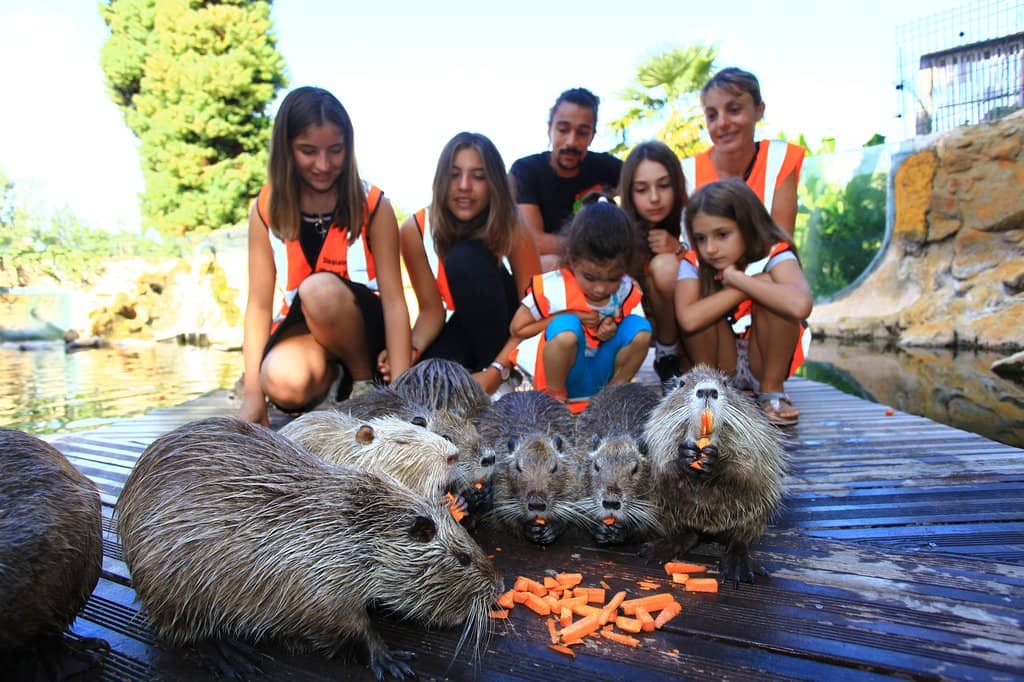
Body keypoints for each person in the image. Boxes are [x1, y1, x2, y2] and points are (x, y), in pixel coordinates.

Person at [238, 86, 411, 426]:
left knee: (318, 290)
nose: (323, 164)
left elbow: (394, 300)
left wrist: (402, 391)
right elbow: (258, 305)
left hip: (363, 325)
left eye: (335, 151)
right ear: (287, 150)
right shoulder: (264, 208)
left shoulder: (375, 205)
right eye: (308, 151)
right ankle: (334, 381)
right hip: (307, 328)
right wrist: (253, 394)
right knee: (283, 382)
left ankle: (363, 385)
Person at [393, 131, 541, 394]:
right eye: (454, 174)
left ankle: (503, 384)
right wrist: (409, 351)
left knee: (465, 258)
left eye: (478, 176)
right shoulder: (414, 229)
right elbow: (431, 311)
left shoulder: (512, 224)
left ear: (493, 182)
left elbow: (535, 308)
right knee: (424, 385)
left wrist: (498, 368)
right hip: (459, 327)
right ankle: (469, 381)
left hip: (509, 334)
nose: (464, 185)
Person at [675, 178, 813, 426]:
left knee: (776, 295)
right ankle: (710, 389)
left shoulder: (775, 253)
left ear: (748, 227)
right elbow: (688, 319)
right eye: (701, 238)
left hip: (762, 360)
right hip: (719, 362)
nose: (711, 248)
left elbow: (800, 305)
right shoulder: (693, 262)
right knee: (702, 312)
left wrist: (741, 279)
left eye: (722, 235)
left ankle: (772, 392)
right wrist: (741, 288)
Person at [510, 194, 651, 413]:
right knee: (566, 329)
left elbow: (625, 331)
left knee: (641, 329)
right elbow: (518, 328)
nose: (600, 289)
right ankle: (554, 402)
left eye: (612, 278)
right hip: (563, 374)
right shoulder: (554, 288)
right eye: (591, 277)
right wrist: (567, 317)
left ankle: (612, 397)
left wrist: (610, 328)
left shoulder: (625, 289)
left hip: (598, 373)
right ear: (572, 260)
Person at [510, 87, 623, 271]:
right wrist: (594, 246)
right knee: (552, 263)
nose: (571, 141)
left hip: (602, 267)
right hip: (553, 268)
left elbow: (643, 184)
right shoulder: (526, 170)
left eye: (582, 133)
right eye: (563, 130)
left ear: (592, 136)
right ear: (550, 129)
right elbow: (533, 242)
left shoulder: (609, 168)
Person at [681, 67, 805, 233]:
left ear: (759, 111)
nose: (722, 123)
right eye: (712, 115)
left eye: (734, 110)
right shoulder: (687, 173)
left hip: (769, 259)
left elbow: (781, 241)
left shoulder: (778, 160)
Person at [618, 140, 690, 393]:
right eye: (641, 189)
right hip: (629, 331)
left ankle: (668, 355)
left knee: (666, 267)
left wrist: (680, 251)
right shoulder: (617, 227)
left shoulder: (693, 216)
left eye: (664, 185)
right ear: (629, 192)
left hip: (689, 328)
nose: (654, 198)